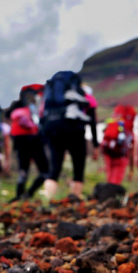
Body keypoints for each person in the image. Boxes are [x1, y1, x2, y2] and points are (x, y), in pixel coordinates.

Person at [41, 71, 99, 199]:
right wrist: (95, 145)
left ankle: (47, 202)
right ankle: (74, 201)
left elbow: (42, 117)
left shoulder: (51, 97)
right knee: (78, 168)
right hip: (76, 133)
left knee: (55, 168)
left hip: (54, 132)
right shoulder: (85, 96)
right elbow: (92, 122)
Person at [5, 84, 50, 202]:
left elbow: (8, 115)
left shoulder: (15, 109)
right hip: (34, 141)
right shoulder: (34, 108)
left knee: (23, 170)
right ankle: (28, 194)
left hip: (20, 143)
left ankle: (19, 195)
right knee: (45, 171)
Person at [101, 105, 137, 185]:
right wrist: (131, 169)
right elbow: (131, 149)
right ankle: (112, 193)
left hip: (109, 154)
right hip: (121, 156)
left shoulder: (113, 122)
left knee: (109, 178)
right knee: (116, 180)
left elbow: (104, 140)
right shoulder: (128, 130)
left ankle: (107, 193)